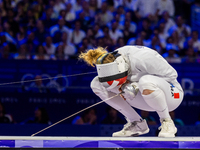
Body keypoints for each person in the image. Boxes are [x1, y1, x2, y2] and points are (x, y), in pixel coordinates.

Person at [79, 45, 184, 137]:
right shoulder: (111, 59)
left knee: (145, 81)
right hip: (144, 98)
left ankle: (167, 122)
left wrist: (135, 84)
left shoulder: (144, 59)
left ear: (122, 68)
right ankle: (136, 123)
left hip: (171, 95)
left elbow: (172, 76)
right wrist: (126, 86)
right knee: (96, 83)